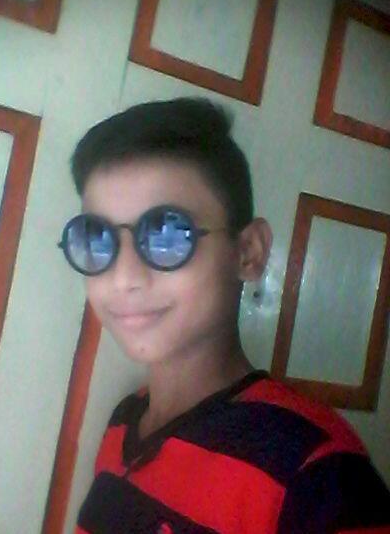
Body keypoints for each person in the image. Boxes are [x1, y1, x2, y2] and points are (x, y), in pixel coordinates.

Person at [59, 98, 390, 533]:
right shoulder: (124, 421)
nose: (123, 278)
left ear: (248, 252)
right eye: (96, 237)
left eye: (167, 233)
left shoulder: (315, 471)